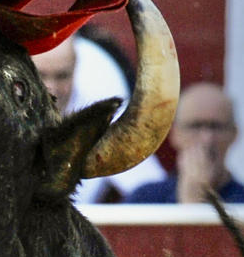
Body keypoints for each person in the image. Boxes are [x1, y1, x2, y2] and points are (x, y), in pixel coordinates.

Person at [29, 32, 164, 203]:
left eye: (62, 76)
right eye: (42, 75)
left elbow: (156, 194)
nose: (52, 88)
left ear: (75, 70)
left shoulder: (102, 121)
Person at [124, 82, 244, 204]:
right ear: (175, 135)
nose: (206, 138)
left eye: (216, 127)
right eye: (195, 126)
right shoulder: (144, 200)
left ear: (234, 134)